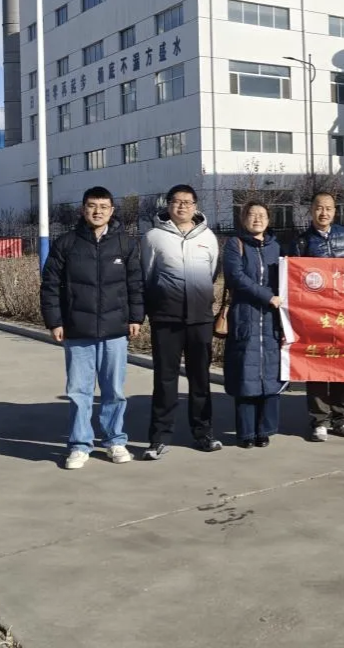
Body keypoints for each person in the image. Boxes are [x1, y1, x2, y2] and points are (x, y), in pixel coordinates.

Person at [40, 186, 144, 470]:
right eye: (92, 205)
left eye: (103, 206)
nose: (97, 211)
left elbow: (135, 284)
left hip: (115, 330)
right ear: (83, 209)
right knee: (79, 392)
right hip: (78, 330)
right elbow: (50, 286)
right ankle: (79, 445)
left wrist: (136, 317)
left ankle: (114, 440)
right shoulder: (67, 243)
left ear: (112, 210)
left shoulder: (125, 244)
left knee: (114, 391)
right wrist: (55, 321)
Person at [140, 184, 222, 459]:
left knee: (201, 379)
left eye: (187, 202)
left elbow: (211, 273)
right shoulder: (153, 237)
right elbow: (147, 275)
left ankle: (203, 433)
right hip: (167, 318)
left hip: (200, 319)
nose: (182, 206)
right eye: (176, 201)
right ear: (168, 205)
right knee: (165, 380)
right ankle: (159, 437)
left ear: (196, 206)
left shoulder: (208, 237)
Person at [291, 191, 344, 442]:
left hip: (343, 313)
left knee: (342, 364)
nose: (324, 213)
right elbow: (294, 279)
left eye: (329, 208)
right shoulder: (301, 241)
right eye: (319, 208)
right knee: (317, 365)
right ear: (311, 210)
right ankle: (319, 420)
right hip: (315, 314)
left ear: (335, 211)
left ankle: (343, 419)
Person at [222, 201, 285, 448]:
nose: (257, 219)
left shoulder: (277, 247)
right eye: (252, 214)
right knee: (245, 376)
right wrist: (267, 296)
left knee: (270, 374)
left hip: (271, 319)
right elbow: (236, 277)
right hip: (245, 316)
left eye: (262, 215)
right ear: (243, 219)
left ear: (269, 220)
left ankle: (264, 430)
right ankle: (246, 432)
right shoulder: (234, 244)